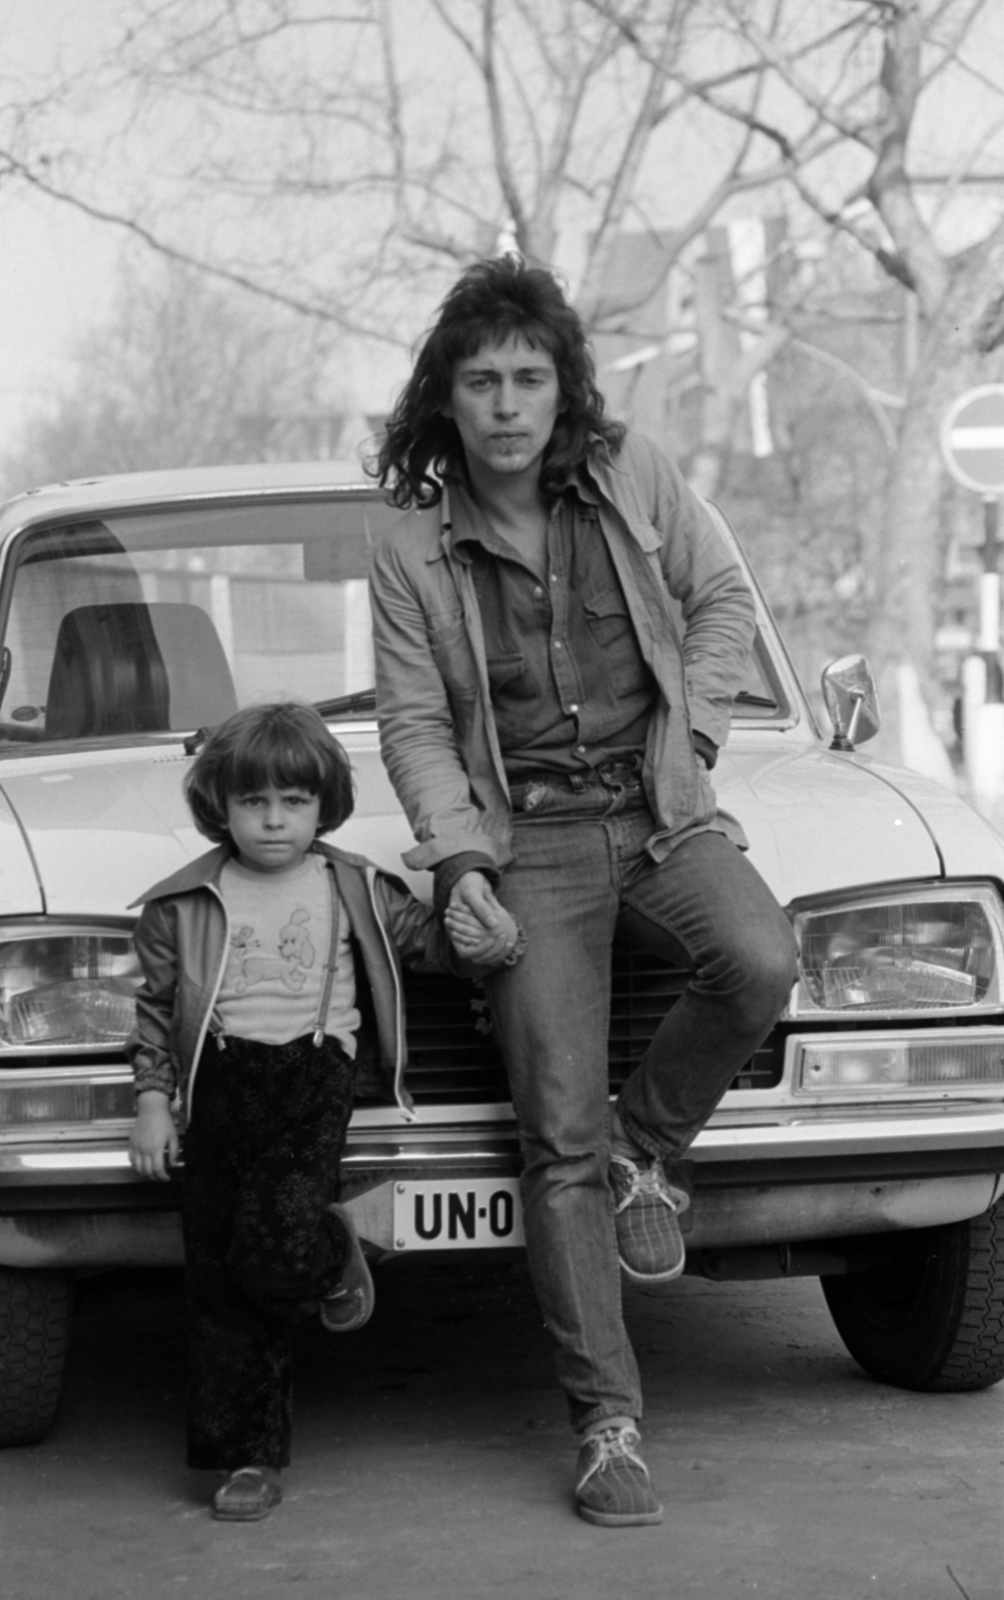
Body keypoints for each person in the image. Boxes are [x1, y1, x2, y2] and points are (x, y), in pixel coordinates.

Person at [368, 256, 797, 1528]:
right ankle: (608, 1425)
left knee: (762, 959)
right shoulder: (407, 547)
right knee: (550, 1135)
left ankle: (646, 1146)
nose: (507, 403)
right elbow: (412, 726)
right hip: (531, 840)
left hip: (659, 807)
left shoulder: (637, 473)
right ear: (444, 400)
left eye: (529, 377)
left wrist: (698, 741)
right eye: (481, 380)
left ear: (565, 390)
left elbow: (719, 603)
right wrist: (459, 865)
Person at [127, 701, 519, 1522]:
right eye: (253, 803)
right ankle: (247, 1458)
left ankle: (331, 1241)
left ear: (322, 805)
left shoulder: (355, 887)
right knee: (219, 1282)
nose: (273, 822)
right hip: (218, 1091)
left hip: (312, 1082)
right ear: (220, 807)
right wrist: (153, 1106)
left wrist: (484, 939)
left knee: (270, 1260)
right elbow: (157, 1013)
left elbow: (430, 946)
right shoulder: (182, 902)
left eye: (293, 803)